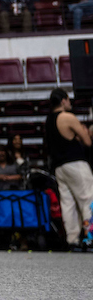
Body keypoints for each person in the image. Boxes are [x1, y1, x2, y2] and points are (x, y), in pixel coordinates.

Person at [44, 88, 93, 250]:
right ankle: (90, 237)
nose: (70, 103)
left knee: (68, 203)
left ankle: (72, 240)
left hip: (59, 167)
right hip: (75, 163)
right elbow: (87, 142)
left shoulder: (48, 119)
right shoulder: (67, 117)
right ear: (64, 100)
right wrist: (84, 132)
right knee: (88, 199)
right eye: (68, 100)